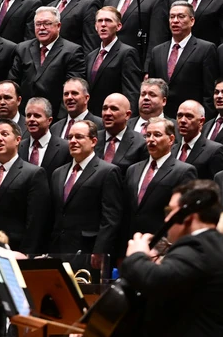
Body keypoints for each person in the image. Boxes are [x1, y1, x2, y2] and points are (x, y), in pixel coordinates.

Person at [120, 179, 223, 337]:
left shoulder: (198, 247)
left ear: (188, 216)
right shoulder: (215, 244)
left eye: (170, 211)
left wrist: (137, 254)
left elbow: (154, 280)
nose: (166, 219)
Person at [0, 119, 49, 253]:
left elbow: (36, 220)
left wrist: (26, 254)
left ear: (18, 140)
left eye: (5, 134)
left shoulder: (33, 173)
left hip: (16, 249)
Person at [49, 120, 121, 259]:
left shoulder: (107, 171)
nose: (73, 141)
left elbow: (111, 218)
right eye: (70, 137)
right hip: (57, 248)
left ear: (93, 141)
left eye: (79, 137)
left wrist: (100, 251)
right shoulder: (58, 173)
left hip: (88, 249)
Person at [122, 117, 197, 247]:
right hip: (131, 242)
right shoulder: (133, 169)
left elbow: (183, 214)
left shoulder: (184, 171)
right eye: (148, 135)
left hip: (162, 245)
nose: (151, 139)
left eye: (157, 135)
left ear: (171, 139)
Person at [9, 6, 86, 121]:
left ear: (58, 26)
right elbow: (13, 83)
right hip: (25, 116)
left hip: (55, 116)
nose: (42, 28)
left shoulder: (72, 51)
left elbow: (72, 89)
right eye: (38, 24)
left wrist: (61, 120)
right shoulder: (22, 48)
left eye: (47, 24)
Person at [147, 1, 217, 117]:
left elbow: (209, 92)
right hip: (161, 117)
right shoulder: (157, 51)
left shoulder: (205, 49)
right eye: (172, 17)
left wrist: (205, 119)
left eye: (181, 16)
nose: (175, 21)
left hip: (190, 116)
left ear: (192, 21)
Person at [86, 6, 141, 116]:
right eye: (100, 21)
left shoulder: (127, 53)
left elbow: (131, 92)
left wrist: (129, 120)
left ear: (118, 26)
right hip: (93, 117)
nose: (103, 24)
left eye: (108, 20)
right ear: (95, 26)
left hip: (115, 116)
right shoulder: (91, 56)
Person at [174, 99, 223, 179]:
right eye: (180, 115)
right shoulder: (171, 150)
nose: (182, 120)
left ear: (201, 121)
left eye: (189, 116)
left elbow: (219, 183)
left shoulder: (215, 150)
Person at [94, 93, 148, 173]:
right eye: (105, 108)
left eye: (114, 109)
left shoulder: (141, 143)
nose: (107, 113)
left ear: (127, 115)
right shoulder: (92, 139)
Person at [19, 97, 71, 178]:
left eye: (37, 116)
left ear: (49, 120)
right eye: (28, 116)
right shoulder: (18, 147)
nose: (31, 119)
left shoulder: (65, 148)